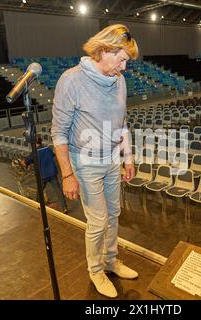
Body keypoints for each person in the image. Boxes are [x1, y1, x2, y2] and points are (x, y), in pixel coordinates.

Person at [50, 24, 138, 298]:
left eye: (126, 61)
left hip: (112, 158)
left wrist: (128, 157)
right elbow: (58, 132)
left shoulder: (119, 80)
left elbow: (122, 123)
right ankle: (96, 270)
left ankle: (111, 261)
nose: (124, 67)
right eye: (122, 59)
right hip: (85, 162)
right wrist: (67, 174)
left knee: (114, 215)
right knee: (98, 222)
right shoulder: (71, 80)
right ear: (103, 50)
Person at [21, 136, 68, 213]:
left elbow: (25, 162)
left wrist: (24, 162)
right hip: (52, 173)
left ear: (35, 143)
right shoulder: (47, 149)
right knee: (58, 190)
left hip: (43, 175)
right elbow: (52, 155)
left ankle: (37, 205)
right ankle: (64, 207)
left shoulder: (35, 152)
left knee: (40, 191)